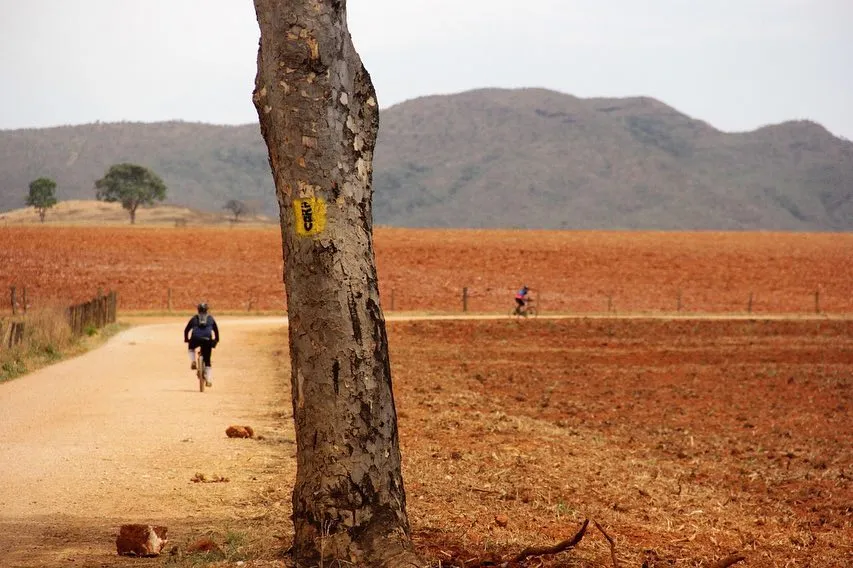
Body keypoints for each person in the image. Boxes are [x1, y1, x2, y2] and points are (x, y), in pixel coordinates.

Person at [184, 302, 219, 387]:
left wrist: (187, 339)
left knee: (191, 347)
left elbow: (186, 330)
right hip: (207, 340)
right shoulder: (211, 318)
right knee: (207, 361)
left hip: (195, 339)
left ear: (198, 310)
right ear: (207, 310)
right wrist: (216, 340)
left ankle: (193, 361)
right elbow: (216, 331)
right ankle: (209, 380)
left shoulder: (194, 318)